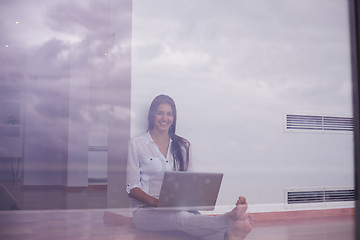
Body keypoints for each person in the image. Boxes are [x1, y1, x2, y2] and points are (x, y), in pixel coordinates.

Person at [126, 94, 253, 240]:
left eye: (169, 114)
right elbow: (132, 187)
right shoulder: (136, 144)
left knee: (191, 224)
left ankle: (229, 235)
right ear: (152, 115)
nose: (164, 118)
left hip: (179, 207)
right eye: (160, 113)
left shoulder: (184, 146)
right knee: (181, 218)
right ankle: (228, 219)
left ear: (174, 118)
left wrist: (189, 201)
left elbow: (190, 182)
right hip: (145, 212)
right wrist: (157, 203)